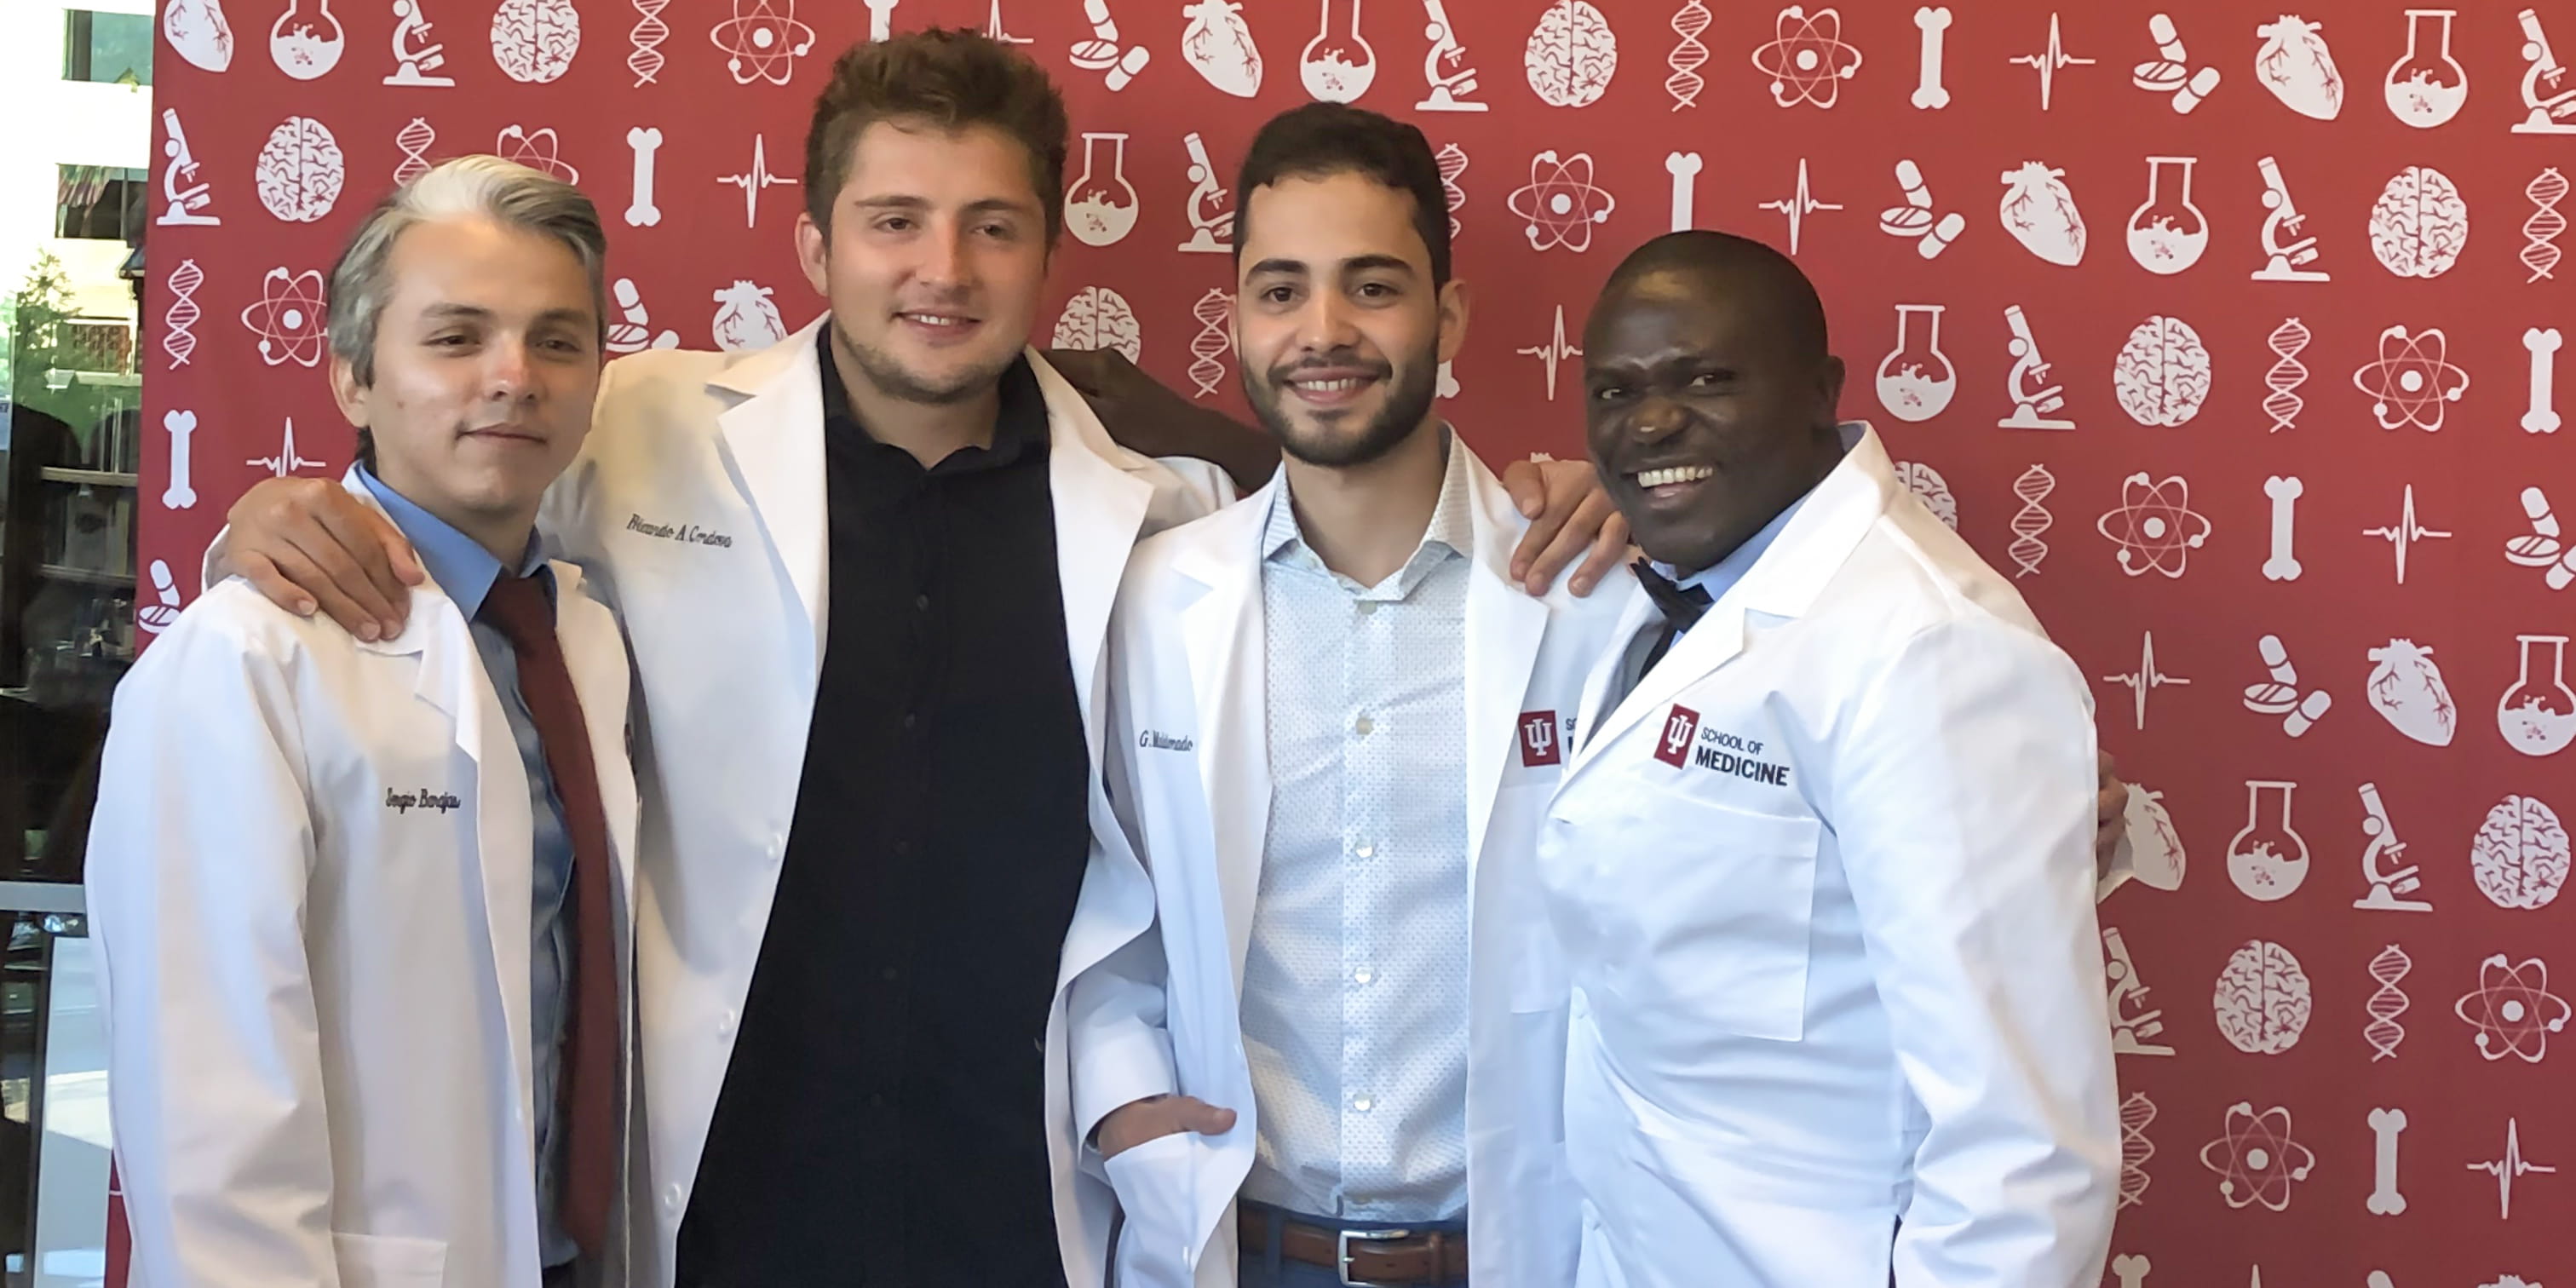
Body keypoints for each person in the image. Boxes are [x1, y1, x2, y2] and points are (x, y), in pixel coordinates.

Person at [201, 30, 1626, 1287]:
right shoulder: (640, 424)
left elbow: (1346, 506)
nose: (940, 271)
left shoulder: (1156, 514)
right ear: (815, 246)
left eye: (992, 228)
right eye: (893, 220)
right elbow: (457, 491)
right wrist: (280, 519)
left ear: (1049, 256)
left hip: (1018, 1209)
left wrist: (1575, 499)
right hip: (719, 1199)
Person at [1069, 105, 1636, 1288]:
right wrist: (1123, 1110)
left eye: (1371, 287)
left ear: (1451, 313)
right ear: (1234, 321)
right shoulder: (1154, 595)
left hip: (1521, 1249)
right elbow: (1107, 903)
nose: (1322, 332)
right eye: (1280, 291)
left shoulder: (1591, 589)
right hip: (1239, 1244)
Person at [89, 156, 640, 1287]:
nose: (513, 377)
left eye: (558, 340)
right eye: (454, 338)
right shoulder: (244, 661)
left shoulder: (588, 640)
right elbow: (207, 1112)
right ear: (351, 375)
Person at [1538, 230, 2119, 1287]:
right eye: (1615, 391)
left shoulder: (1929, 645)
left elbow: (2026, 1150)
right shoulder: (1659, 600)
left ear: (1820, 390)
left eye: (1706, 378)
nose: (1651, 422)